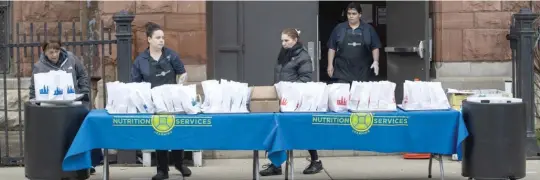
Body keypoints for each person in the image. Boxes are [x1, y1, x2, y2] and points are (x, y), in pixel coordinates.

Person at [28, 39, 101, 174]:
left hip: (73, 104)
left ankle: (86, 164)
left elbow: (82, 75)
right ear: (44, 52)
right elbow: (34, 87)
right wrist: (35, 103)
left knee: (79, 134)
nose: (54, 55)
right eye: (51, 52)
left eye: (56, 51)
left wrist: (83, 92)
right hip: (51, 108)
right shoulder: (39, 66)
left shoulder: (71, 59)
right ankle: (57, 165)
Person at [259, 28, 323, 176]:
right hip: (282, 96)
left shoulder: (303, 56)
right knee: (277, 129)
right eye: (282, 40)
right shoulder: (284, 53)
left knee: (302, 130)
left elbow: (306, 78)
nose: (283, 43)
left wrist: (292, 91)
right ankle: (276, 164)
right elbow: (280, 72)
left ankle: (316, 161)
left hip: (295, 99)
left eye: (286, 40)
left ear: (295, 40)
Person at [131, 22, 189, 180]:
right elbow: (136, 84)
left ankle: (179, 163)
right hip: (153, 103)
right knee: (160, 132)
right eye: (158, 38)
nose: (161, 40)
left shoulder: (171, 55)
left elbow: (182, 73)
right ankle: (162, 170)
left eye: (163, 37)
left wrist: (181, 83)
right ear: (149, 39)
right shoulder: (140, 61)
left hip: (173, 101)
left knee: (177, 132)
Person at [327, 2, 382, 84]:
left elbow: (375, 47)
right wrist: (330, 64)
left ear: (360, 14)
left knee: (360, 96)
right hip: (343, 73)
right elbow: (332, 48)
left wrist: (376, 61)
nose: (351, 16)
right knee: (343, 96)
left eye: (354, 14)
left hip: (363, 73)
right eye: (349, 14)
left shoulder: (368, 29)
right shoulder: (339, 28)